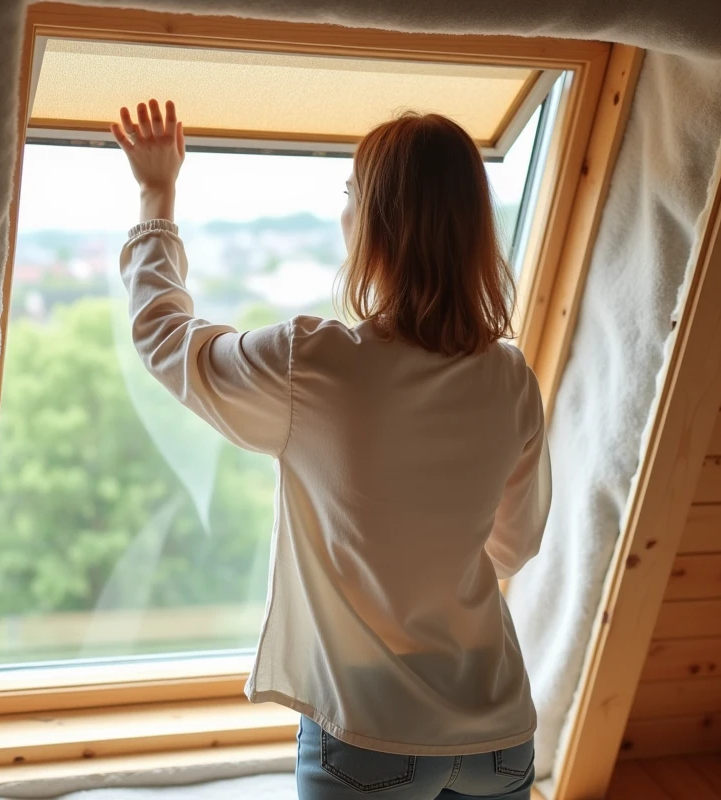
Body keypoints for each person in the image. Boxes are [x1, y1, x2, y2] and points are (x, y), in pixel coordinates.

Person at [111, 99, 551, 800]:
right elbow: (513, 545)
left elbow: (167, 339)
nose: (342, 210)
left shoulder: (314, 363)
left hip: (370, 730)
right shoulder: (511, 376)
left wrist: (155, 193)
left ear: (377, 221)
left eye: (350, 192)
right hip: (497, 729)